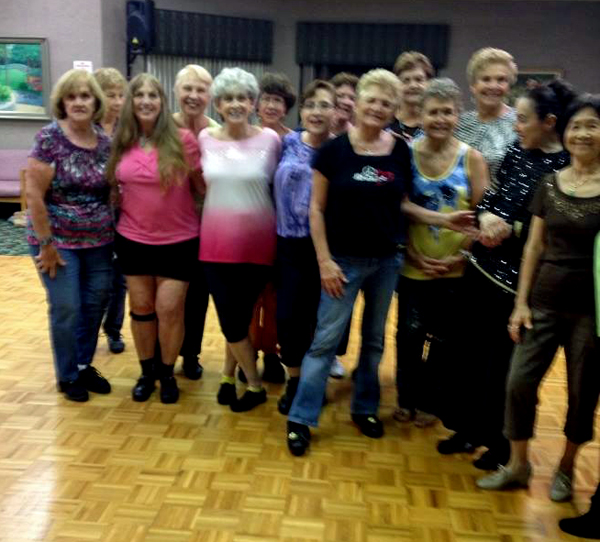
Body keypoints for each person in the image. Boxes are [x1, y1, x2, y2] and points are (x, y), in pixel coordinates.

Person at [437, 81, 573, 467]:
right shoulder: (519, 151)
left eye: (524, 119)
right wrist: (485, 217)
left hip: (517, 282)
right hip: (482, 266)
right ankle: (467, 429)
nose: (517, 126)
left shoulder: (564, 166)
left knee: (503, 366)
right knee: (467, 353)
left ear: (549, 123)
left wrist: (508, 228)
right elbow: (494, 199)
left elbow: (550, 229)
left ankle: (500, 444)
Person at [476, 94, 600, 502]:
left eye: (592, 126)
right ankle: (518, 464)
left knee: (583, 393)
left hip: (592, 311)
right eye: (576, 126)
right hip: (543, 300)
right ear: (564, 132)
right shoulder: (550, 183)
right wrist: (521, 302)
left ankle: (566, 468)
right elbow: (532, 246)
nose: (583, 133)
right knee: (519, 383)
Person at [285, 69, 412, 456]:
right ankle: (301, 418)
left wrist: (442, 220)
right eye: (372, 99)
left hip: (387, 261)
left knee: (374, 342)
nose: (378, 108)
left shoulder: (401, 150)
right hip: (342, 263)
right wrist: (324, 260)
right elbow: (317, 210)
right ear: (357, 102)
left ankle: (365, 408)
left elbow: (402, 203)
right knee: (324, 343)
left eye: (386, 103)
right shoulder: (334, 151)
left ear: (394, 110)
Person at [394, 78, 489, 428]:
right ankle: (406, 398)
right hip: (413, 263)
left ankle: (431, 400)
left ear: (457, 115)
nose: (440, 119)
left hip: (456, 268)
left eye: (447, 112)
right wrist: (411, 254)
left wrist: (458, 257)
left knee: (444, 340)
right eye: (433, 112)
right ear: (420, 115)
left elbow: (481, 216)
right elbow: (398, 207)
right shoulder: (405, 154)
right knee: (408, 334)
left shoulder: (472, 158)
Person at [107, 73, 203, 404]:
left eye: (153, 95)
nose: (146, 100)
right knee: (142, 307)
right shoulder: (122, 141)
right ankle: (146, 372)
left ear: (163, 102)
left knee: (170, 307)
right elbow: (113, 188)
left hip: (179, 240)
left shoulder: (184, 140)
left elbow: (201, 188)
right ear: (131, 102)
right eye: (139, 95)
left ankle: (167, 373)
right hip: (133, 239)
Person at [25, 69, 113, 402]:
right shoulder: (49, 139)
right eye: (72, 96)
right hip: (57, 241)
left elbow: (110, 190)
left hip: (100, 241)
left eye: (85, 96)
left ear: (95, 102)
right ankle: (66, 374)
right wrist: (46, 245)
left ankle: (83, 364)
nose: (78, 102)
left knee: (94, 305)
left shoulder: (105, 142)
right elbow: (34, 194)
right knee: (67, 306)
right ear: (62, 102)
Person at [198, 67, 281, 412]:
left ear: (253, 103)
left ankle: (231, 378)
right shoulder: (205, 139)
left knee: (239, 318)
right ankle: (254, 384)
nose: (235, 104)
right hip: (214, 245)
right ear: (217, 104)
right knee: (231, 319)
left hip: (259, 246)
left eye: (243, 98)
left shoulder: (270, 140)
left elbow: (278, 187)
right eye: (228, 98)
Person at [274, 79, 337, 414]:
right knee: (288, 317)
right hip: (287, 244)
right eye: (311, 105)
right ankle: (294, 379)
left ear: (335, 111)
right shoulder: (286, 142)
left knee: (321, 321)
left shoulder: (341, 149)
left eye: (324, 105)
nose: (316, 111)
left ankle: (314, 382)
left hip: (325, 247)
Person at [243, 72, 298, 384]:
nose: (272, 105)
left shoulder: (292, 141)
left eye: (278, 100)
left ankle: (271, 354)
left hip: (282, 231)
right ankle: (245, 353)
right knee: (248, 298)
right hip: (247, 228)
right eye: (266, 99)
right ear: (256, 104)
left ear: (285, 106)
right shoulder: (244, 136)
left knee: (276, 299)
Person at [172, 64, 218, 380]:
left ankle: (191, 353)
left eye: (200, 90)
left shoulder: (215, 131)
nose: (193, 95)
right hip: (168, 227)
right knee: (170, 296)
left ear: (209, 96)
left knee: (198, 295)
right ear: (176, 92)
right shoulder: (162, 128)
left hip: (206, 227)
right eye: (187, 88)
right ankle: (165, 353)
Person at [93, 67, 128, 355]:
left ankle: (114, 329)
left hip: (123, 210)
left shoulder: (127, 128)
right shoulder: (85, 127)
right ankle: (89, 328)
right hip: (91, 212)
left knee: (121, 276)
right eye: (110, 95)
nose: (116, 102)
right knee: (97, 276)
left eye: (120, 95)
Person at [456, 48, 518, 188]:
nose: (493, 86)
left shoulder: (520, 124)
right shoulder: (458, 123)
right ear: (473, 85)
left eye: (501, 80)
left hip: (500, 207)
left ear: (508, 86)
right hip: (454, 206)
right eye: (486, 79)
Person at [390, 51, 434, 142]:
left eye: (419, 79)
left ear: (429, 83)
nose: (413, 85)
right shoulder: (386, 121)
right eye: (406, 80)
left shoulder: (437, 124)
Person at [257, 72, 296, 137]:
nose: (271, 106)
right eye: (266, 99)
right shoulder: (246, 136)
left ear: (285, 108)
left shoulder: (294, 140)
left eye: (277, 100)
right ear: (257, 105)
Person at [330, 72, 358, 136]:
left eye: (352, 98)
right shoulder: (314, 129)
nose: (346, 102)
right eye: (340, 96)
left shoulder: (357, 137)